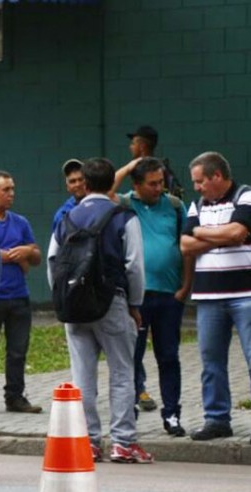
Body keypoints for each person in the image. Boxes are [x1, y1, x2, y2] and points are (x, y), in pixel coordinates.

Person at [48, 157, 151, 464]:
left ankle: (88, 442)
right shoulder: (123, 216)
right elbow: (134, 265)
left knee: (82, 376)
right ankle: (123, 442)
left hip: (74, 305)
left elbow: (54, 261)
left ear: (87, 184)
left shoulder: (67, 216)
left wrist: (64, 297)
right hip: (111, 302)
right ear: (110, 185)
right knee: (122, 372)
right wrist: (135, 304)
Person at [179, 151, 251, 442]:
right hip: (208, 297)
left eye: (199, 181)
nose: (196, 187)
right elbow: (185, 245)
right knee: (211, 361)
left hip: (245, 294)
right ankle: (217, 419)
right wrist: (211, 234)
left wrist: (201, 233)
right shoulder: (197, 205)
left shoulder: (245, 197)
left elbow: (237, 232)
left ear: (217, 176)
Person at [121, 157, 192, 435]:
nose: (158, 188)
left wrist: (186, 287)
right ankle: (130, 409)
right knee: (131, 356)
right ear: (136, 185)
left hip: (168, 295)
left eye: (161, 182)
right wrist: (129, 166)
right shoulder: (126, 204)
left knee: (169, 356)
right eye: (152, 184)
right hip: (136, 297)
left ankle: (172, 413)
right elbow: (103, 192)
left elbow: (186, 247)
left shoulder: (174, 206)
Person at [0, 170, 42, 415]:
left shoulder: (20, 222)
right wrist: (0, 255)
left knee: (17, 351)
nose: (11, 194)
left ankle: (15, 396)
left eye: (13, 189)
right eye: (6, 190)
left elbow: (35, 256)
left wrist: (25, 252)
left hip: (19, 297)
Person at [115, 125, 184, 199]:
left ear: (141, 146)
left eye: (133, 144)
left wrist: (127, 168)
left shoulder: (160, 169)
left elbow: (178, 194)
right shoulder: (160, 167)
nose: (130, 147)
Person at [52, 158, 87, 235]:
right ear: (68, 187)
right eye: (73, 181)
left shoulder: (99, 202)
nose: (77, 184)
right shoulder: (62, 214)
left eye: (81, 179)